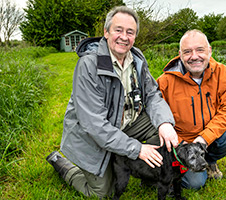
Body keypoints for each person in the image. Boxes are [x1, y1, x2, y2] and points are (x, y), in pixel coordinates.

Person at [46, 6, 178, 198]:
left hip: (129, 123)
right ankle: (61, 162)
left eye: (130, 32)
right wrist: (137, 149)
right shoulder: (89, 65)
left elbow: (152, 94)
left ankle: (149, 176)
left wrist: (165, 122)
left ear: (135, 37)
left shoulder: (137, 59)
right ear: (106, 32)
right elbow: (94, 124)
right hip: (92, 134)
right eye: (118, 30)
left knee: (164, 137)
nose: (124, 37)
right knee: (102, 192)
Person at [156, 29, 226, 189]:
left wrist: (204, 139)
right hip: (181, 142)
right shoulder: (165, 81)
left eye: (200, 50)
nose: (194, 56)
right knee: (194, 183)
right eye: (187, 52)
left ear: (209, 50)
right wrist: (183, 146)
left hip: (209, 137)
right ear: (180, 54)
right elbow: (155, 113)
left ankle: (208, 160)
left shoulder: (225, 74)